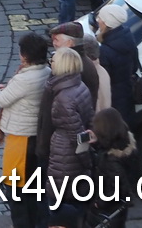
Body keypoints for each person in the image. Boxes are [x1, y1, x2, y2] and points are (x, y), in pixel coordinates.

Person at [0, 31, 53, 228]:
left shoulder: (25, 78)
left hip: (21, 139)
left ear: (25, 55)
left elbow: (0, 100)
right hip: (34, 137)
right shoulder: (45, 72)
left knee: (16, 188)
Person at [43, 47, 95, 225]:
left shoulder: (63, 98)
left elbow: (78, 137)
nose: (51, 63)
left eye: (54, 61)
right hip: (70, 158)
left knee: (61, 212)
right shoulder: (79, 86)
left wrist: (87, 162)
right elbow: (88, 122)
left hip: (65, 158)